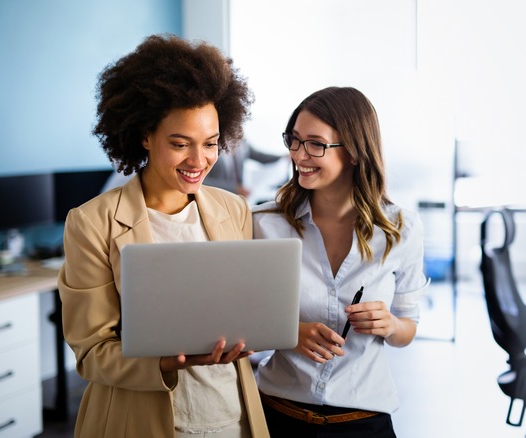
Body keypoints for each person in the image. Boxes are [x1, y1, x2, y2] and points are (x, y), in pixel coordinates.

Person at [57, 34, 261, 438]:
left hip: (230, 417)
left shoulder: (233, 210)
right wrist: (168, 362)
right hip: (143, 420)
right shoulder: (92, 222)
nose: (198, 161)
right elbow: (92, 353)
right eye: (180, 144)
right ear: (145, 136)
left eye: (211, 144)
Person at [251, 86, 429, 437]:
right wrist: (288, 333)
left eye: (316, 144)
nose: (299, 154)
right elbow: (234, 319)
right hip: (277, 417)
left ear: (353, 152)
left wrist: (390, 324)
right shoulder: (263, 224)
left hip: (364, 422)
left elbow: (408, 327)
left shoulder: (400, 229)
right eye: (294, 140)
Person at [205, 139, 286, 198]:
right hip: (216, 198)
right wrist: (233, 188)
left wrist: (283, 157)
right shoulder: (209, 144)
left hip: (238, 198)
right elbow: (203, 182)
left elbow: (259, 156)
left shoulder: (240, 140)